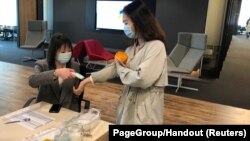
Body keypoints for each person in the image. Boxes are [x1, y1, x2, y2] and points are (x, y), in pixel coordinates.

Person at [74, 0, 168, 124]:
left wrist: (121, 68)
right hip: (127, 106)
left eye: (126, 23)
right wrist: (86, 81)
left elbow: (141, 79)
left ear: (139, 22)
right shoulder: (131, 49)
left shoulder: (156, 47)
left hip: (146, 111)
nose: (125, 27)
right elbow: (114, 68)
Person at [29, 33, 82, 112]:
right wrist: (55, 73)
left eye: (69, 51)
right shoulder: (42, 65)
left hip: (66, 110)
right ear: (53, 52)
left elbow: (75, 96)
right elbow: (32, 81)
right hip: (44, 109)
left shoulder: (75, 66)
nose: (67, 54)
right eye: (63, 52)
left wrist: (74, 114)